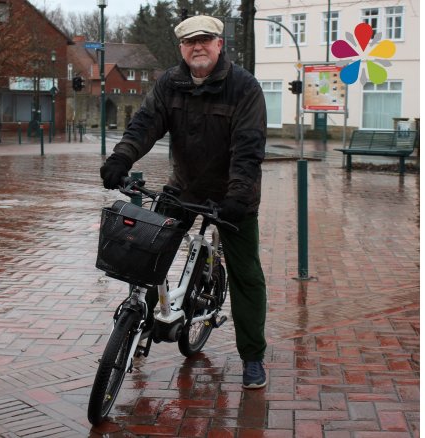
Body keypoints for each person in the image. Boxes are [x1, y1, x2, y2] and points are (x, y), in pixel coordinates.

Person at [99, 15, 269, 389]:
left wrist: (238, 198)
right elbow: (144, 124)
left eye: (205, 40)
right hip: (184, 187)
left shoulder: (244, 88)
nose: (198, 47)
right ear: (181, 48)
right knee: (144, 252)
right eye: (190, 41)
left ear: (219, 44)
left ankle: (253, 357)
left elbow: (248, 149)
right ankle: (138, 324)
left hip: (233, 197)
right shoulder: (170, 84)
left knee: (247, 277)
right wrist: (121, 158)